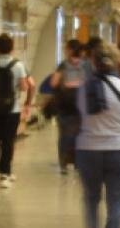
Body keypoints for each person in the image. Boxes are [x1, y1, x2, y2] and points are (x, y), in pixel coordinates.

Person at [76, 41, 120, 228]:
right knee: (116, 201)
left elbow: (80, 118)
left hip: (88, 150)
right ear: (117, 62)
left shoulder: (84, 90)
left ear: (93, 62)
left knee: (91, 199)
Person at [0, 33, 35, 189]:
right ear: (12, 48)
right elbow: (28, 86)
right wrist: (27, 103)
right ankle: (5, 174)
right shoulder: (18, 65)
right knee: (8, 141)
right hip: (13, 110)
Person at [49, 39, 90, 175]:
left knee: (64, 135)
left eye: (66, 49)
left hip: (64, 106)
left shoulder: (63, 65)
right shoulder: (87, 66)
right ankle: (78, 163)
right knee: (80, 135)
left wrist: (66, 84)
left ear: (70, 50)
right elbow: (92, 83)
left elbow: (53, 83)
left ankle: (63, 164)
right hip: (82, 107)